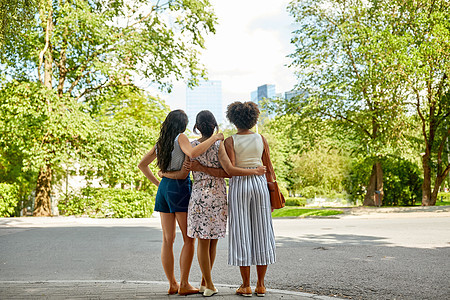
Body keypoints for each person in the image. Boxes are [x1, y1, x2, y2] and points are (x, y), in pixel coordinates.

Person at [161, 110, 266, 297]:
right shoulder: (219, 145)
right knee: (213, 243)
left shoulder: (191, 147)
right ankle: (207, 283)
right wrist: (254, 171)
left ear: (197, 127)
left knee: (203, 241)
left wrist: (165, 174)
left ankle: (206, 283)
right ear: (214, 125)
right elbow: (228, 171)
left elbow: (186, 172)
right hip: (217, 195)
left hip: (199, 195)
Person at [137, 109, 223, 296]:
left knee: (167, 240)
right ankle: (184, 283)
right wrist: (215, 138)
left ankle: (172, 283)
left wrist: (160, 181)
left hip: (164, 190)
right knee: (188, 239)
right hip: (179, 189)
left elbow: (142, 164)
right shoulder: (181, 137)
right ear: (182, 124)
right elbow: (192, 153)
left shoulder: (161, 142)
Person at [224, 101, 276, 297]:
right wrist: (272, 195)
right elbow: (269, 167)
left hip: (239, 185)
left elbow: (231, 169)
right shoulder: (261, 139)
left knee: (241, 233)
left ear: (234, 120)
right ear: (253, 119)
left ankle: (245, 285)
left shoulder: (230, 141)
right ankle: (261, 285)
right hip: (260, 184)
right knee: (262, 232)